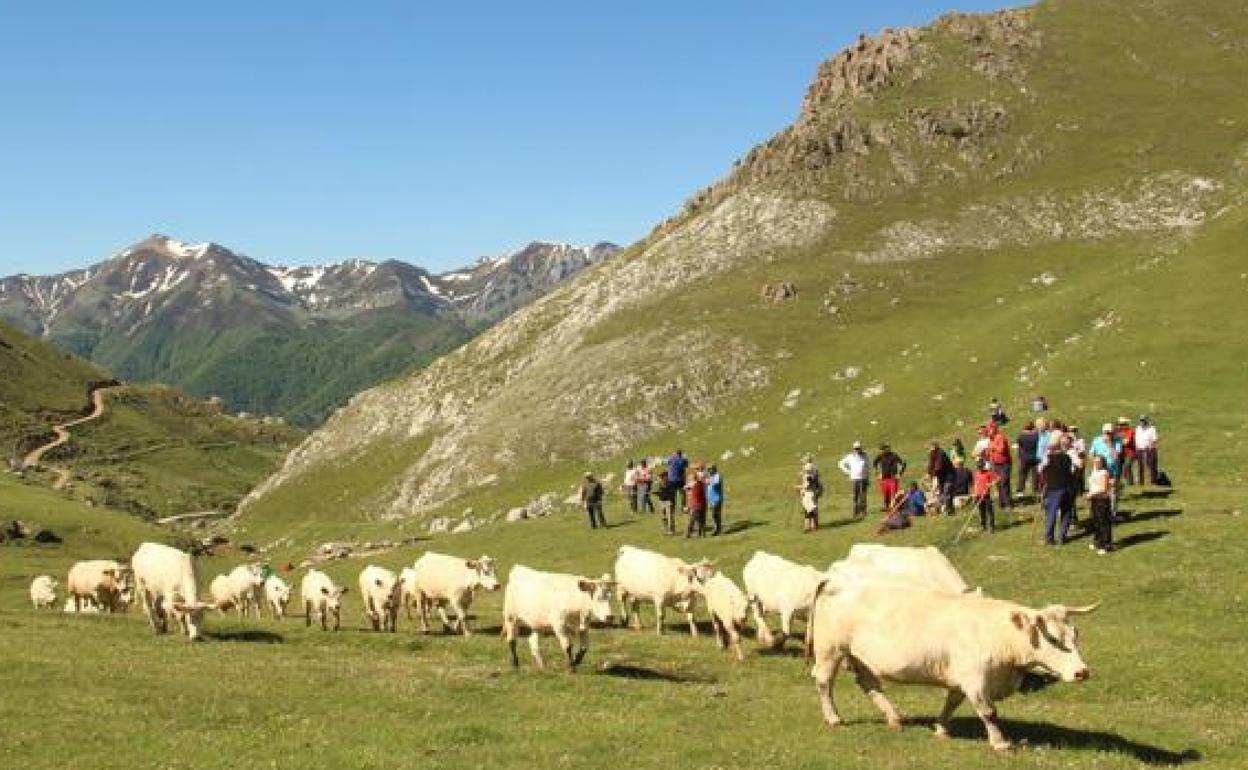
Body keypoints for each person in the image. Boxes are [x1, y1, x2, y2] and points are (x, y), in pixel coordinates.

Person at [1041, 442, 1076, 545]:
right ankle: (1062, 537)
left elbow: (1041, 471)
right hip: (1068, 487)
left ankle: (1049, 538)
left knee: (1051, 513)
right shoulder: (1067, 457)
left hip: (1054, 488)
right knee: (1066, 513)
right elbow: (1072, 471)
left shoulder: (1047, 459)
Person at [1089, 423, 1124, 515]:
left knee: (1112, 493)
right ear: (1103, 432)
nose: (1109, 435)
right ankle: (1097, 513)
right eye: (1107, 433)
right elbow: (1091, 455)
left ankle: (1112, 514)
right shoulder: (1096, 440)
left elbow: (1116, 456)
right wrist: (1097, 463)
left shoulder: (1117, 441)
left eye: (1111, 433)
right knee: (1098, 491)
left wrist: (1109, 444)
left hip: (1112, 471)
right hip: (1099, 472)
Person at [1086, 455, 1115, 554]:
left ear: (1103, 463)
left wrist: (1091, 494)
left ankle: (1105, 545)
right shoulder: (1094, 471)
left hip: (1102, 501)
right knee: (1096, 521)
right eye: (1095, 461)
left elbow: (1103, 489)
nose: (1096, 463)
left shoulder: (1104, 473)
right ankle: (1097, 541)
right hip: (1094, 500)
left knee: (1103, 523)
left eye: (1099, 462)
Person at [837, 441, 869, 519]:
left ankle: (863, 511)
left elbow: (868, 466)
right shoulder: (850, 456)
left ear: (861, 448)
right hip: (854, 479)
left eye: (858, 448)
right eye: (856, 448)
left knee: (863, 496)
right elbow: (840, 464)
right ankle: (856, 512)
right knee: (856, 496)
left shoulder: (865, 456)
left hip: (863, 478)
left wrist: (867, 476)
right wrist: (848, 472)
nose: (857, 450)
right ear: (853, 449)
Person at [986, 423, 1013, 511]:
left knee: (1004, 482)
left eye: (990, 429)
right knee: (998, 483)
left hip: (1004, 463)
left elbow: (1001, 450)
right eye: (988, 429)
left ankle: (1008, 504)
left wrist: (993, 446)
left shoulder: (1000, 437)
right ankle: (1002, 503)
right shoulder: (991, 439)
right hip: (995, 464)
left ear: (994, 429)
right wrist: (990, 460)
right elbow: (990, 452)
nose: (988, 431)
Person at [872, 444, 906, 511]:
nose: (882, 451)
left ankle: (895, 507)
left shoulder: (894, 455)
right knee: (885, 493)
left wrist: (900, 473)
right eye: (881, 450)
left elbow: (903, 464)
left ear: (887, 449)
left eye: (883, 449)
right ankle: (887, 507)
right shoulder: (880, 456)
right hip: (884, 478)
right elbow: (874, 463)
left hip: (893, 478)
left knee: (893, 493)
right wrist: (877, 473)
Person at [924, 440, 954, 516]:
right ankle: (944, 509)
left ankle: (948, 510)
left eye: (931, 447)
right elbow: (931, 464)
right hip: (941, 476)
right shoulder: (932, 453)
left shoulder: (941, 453)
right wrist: (928, 473)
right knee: (941, 493)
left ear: (935, 447)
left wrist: (932, 475)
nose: (929, 449)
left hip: (948, 476)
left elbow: (938, 466)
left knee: (947, 492)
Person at [797, 457, 823, 533]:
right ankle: (813, 525)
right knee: (811, 509)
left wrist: (798, 487)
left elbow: (807, 485)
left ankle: (808, 526)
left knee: (809, 509)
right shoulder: (814, 472)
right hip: (812, 492)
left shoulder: (809, 476)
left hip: (808, 493)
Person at [972, 461, 1000, 533]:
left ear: (983, 466)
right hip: (978, 495)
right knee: (981, 511)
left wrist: (991, 484)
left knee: (989, 511)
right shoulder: (976, 474)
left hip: (986, 495)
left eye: (981, 467)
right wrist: (975, 494)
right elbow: (975, 484)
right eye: (978, 467)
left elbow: (998, 478)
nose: (980, 469)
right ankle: (983, 526)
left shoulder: (988, 473)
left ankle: (991, 527)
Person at [1016, 421, 1041, 497]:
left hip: (1024, 457)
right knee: (1035, 474)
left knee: (1022, 474)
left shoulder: (1021, 435)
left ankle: (1020, 491)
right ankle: (1036, 490)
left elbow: (1019, 444)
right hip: (1035, 457)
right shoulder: (1037, 435)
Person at [1135, 416, 1159, 486]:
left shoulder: (1151, 429)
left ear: (1146, 421)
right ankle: (1141, 481)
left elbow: (1154, 439)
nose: (1142, 422)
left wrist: (1150, 446)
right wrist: (1137, 447)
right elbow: (1137, 438)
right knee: (1140, 465)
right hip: (1140, 449)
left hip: (1149, 449)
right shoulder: (1138, 428)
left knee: (1151, 465)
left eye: (1143, 421)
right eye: (1141, 421)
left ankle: (1153, 481)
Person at [685, 465, 708, 538]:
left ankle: (688, 534)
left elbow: (691, 496)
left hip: (696, 506)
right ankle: (702, 534)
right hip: (703, 504)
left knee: (692, 520)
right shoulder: (701, 484)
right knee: (701, 520)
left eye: (690, 479)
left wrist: (688, 506)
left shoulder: (693, 486)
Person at [1116, 418, 1136, 486]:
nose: (1121, 426)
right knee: (1119, 467)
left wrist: (1118, 440)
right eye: (1120, 424)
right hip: (1121, 453)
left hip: (1131, 453)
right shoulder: (1117, 431)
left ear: (1127, 424)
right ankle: (1121, 482)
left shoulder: (1130, 431)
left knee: (1126, 466)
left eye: (1123, 424)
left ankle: (1130, 482)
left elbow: (1126, 442)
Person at [705, 465, 724, 535]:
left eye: (709, 470)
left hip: (717, 498)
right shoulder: (710, 476)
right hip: (711, 499)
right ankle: (716, 528)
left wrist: (709, 481)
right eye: (708, 470)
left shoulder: (717, 476)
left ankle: (718, 529)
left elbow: (716, 483)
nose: (708, 471)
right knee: (713, 515)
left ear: (714, 469)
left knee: (716, 514)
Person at [656, 469, 676, 534]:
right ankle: (665, 529)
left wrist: (663, 493)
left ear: (666, 476)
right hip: (661, 501)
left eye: (662, 476)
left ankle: (671, 530)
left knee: (670, 516)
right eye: (660, 476)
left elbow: (672, 493)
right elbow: (659, 491)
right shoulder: (660, 483)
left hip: (668, 501)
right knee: (663, 516)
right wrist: (657, 493)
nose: (661, 478)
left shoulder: (671, 483)